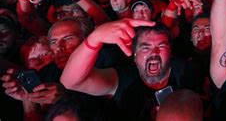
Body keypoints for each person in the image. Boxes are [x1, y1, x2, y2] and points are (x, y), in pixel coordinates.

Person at [60, 19, 202, 120]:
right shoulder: (123, 78)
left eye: (162, 46)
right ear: (135, 56)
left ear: (170, 52)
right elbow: (70, 82)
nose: (154, 52)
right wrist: (94, 39)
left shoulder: (188, 72)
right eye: (145, 47)